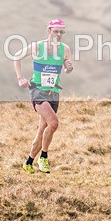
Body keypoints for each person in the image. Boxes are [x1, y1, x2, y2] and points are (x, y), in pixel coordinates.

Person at [14, 18, 73, 174]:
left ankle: (29, 161)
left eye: (61, 32)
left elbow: (67, 68)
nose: (58, 34)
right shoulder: (37, 47)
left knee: (43, 130)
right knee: (53, 123)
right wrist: (20, 78)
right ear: (49, 31)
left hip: (54, 92)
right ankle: (44, 157)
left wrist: (68, 67)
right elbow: (17, 56)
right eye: (55, 31)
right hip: (37, 90)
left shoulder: (65, 49)